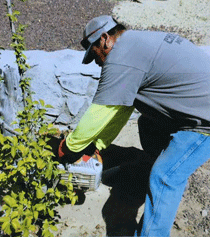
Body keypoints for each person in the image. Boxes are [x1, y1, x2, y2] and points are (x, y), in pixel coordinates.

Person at [57, 15, 210, 236]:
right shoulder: (135, 44)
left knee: (165, 177)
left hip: (203, 122)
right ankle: (145, 177)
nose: (97, 62)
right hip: (194, 107)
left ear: (104, 39)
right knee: (147, 123)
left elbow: (101, 111)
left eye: (94, 54)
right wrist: (98, 146)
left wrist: (69, 147)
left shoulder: (120, 57)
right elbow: (122, 108)